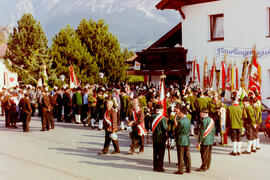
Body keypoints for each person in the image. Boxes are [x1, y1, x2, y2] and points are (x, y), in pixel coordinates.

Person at [174, 103, 191, 175]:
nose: (179, 113)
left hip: (181, 139)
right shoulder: (188, 120)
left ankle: (180, 170)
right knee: (187, 155)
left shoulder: (180, 121)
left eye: (180, 112)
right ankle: (188, 168)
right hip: (186, 139)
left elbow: (177, 130)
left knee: (180, 156)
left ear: (182, 113)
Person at [226, 91, 243, 156]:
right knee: (239, 138)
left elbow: (227, 118)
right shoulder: (241, 108)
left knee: (234, 138)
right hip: (239, 125)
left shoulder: (229, 108)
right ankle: (239, 151)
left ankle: (234, 151)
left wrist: (227, 126)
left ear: (232, 100)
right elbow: (243, 117)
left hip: (232, 125)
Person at [152, 104, 168, 172]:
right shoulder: (162, 118)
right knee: (161, 153)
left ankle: (155, 167)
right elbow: (165, 128)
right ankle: (160, 167)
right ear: (161, 110)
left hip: (154, 136)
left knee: (155, 152)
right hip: (161, 137)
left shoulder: (152, 116)